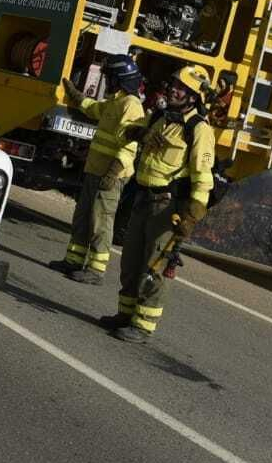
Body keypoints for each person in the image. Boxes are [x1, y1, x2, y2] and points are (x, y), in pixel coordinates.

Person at [113, 64, 216, 344]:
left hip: (166, 208)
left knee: (154, 267)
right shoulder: (160, 116)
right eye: (174, 85)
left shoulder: (199, 129)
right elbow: (125, 131)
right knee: (131, 260)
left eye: (181, 88)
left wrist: (192, 216)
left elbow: (203, 178)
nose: (173, 90)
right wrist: (141, 134)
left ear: (193, 97)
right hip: (142, 198)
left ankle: (142, 325)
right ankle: (125, 315)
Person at [56, 55, 146, 285]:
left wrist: (112, 173)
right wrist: (77, 96)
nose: (107, 82)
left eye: (110, 77)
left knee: (100, 221)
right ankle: (73, 260)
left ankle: (96, 270)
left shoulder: (131, 105)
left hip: (110, 176)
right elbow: (94, 109)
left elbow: (130, 146)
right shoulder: (115, 102)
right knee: (83, 216)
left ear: (120, 79)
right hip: (95, 171)